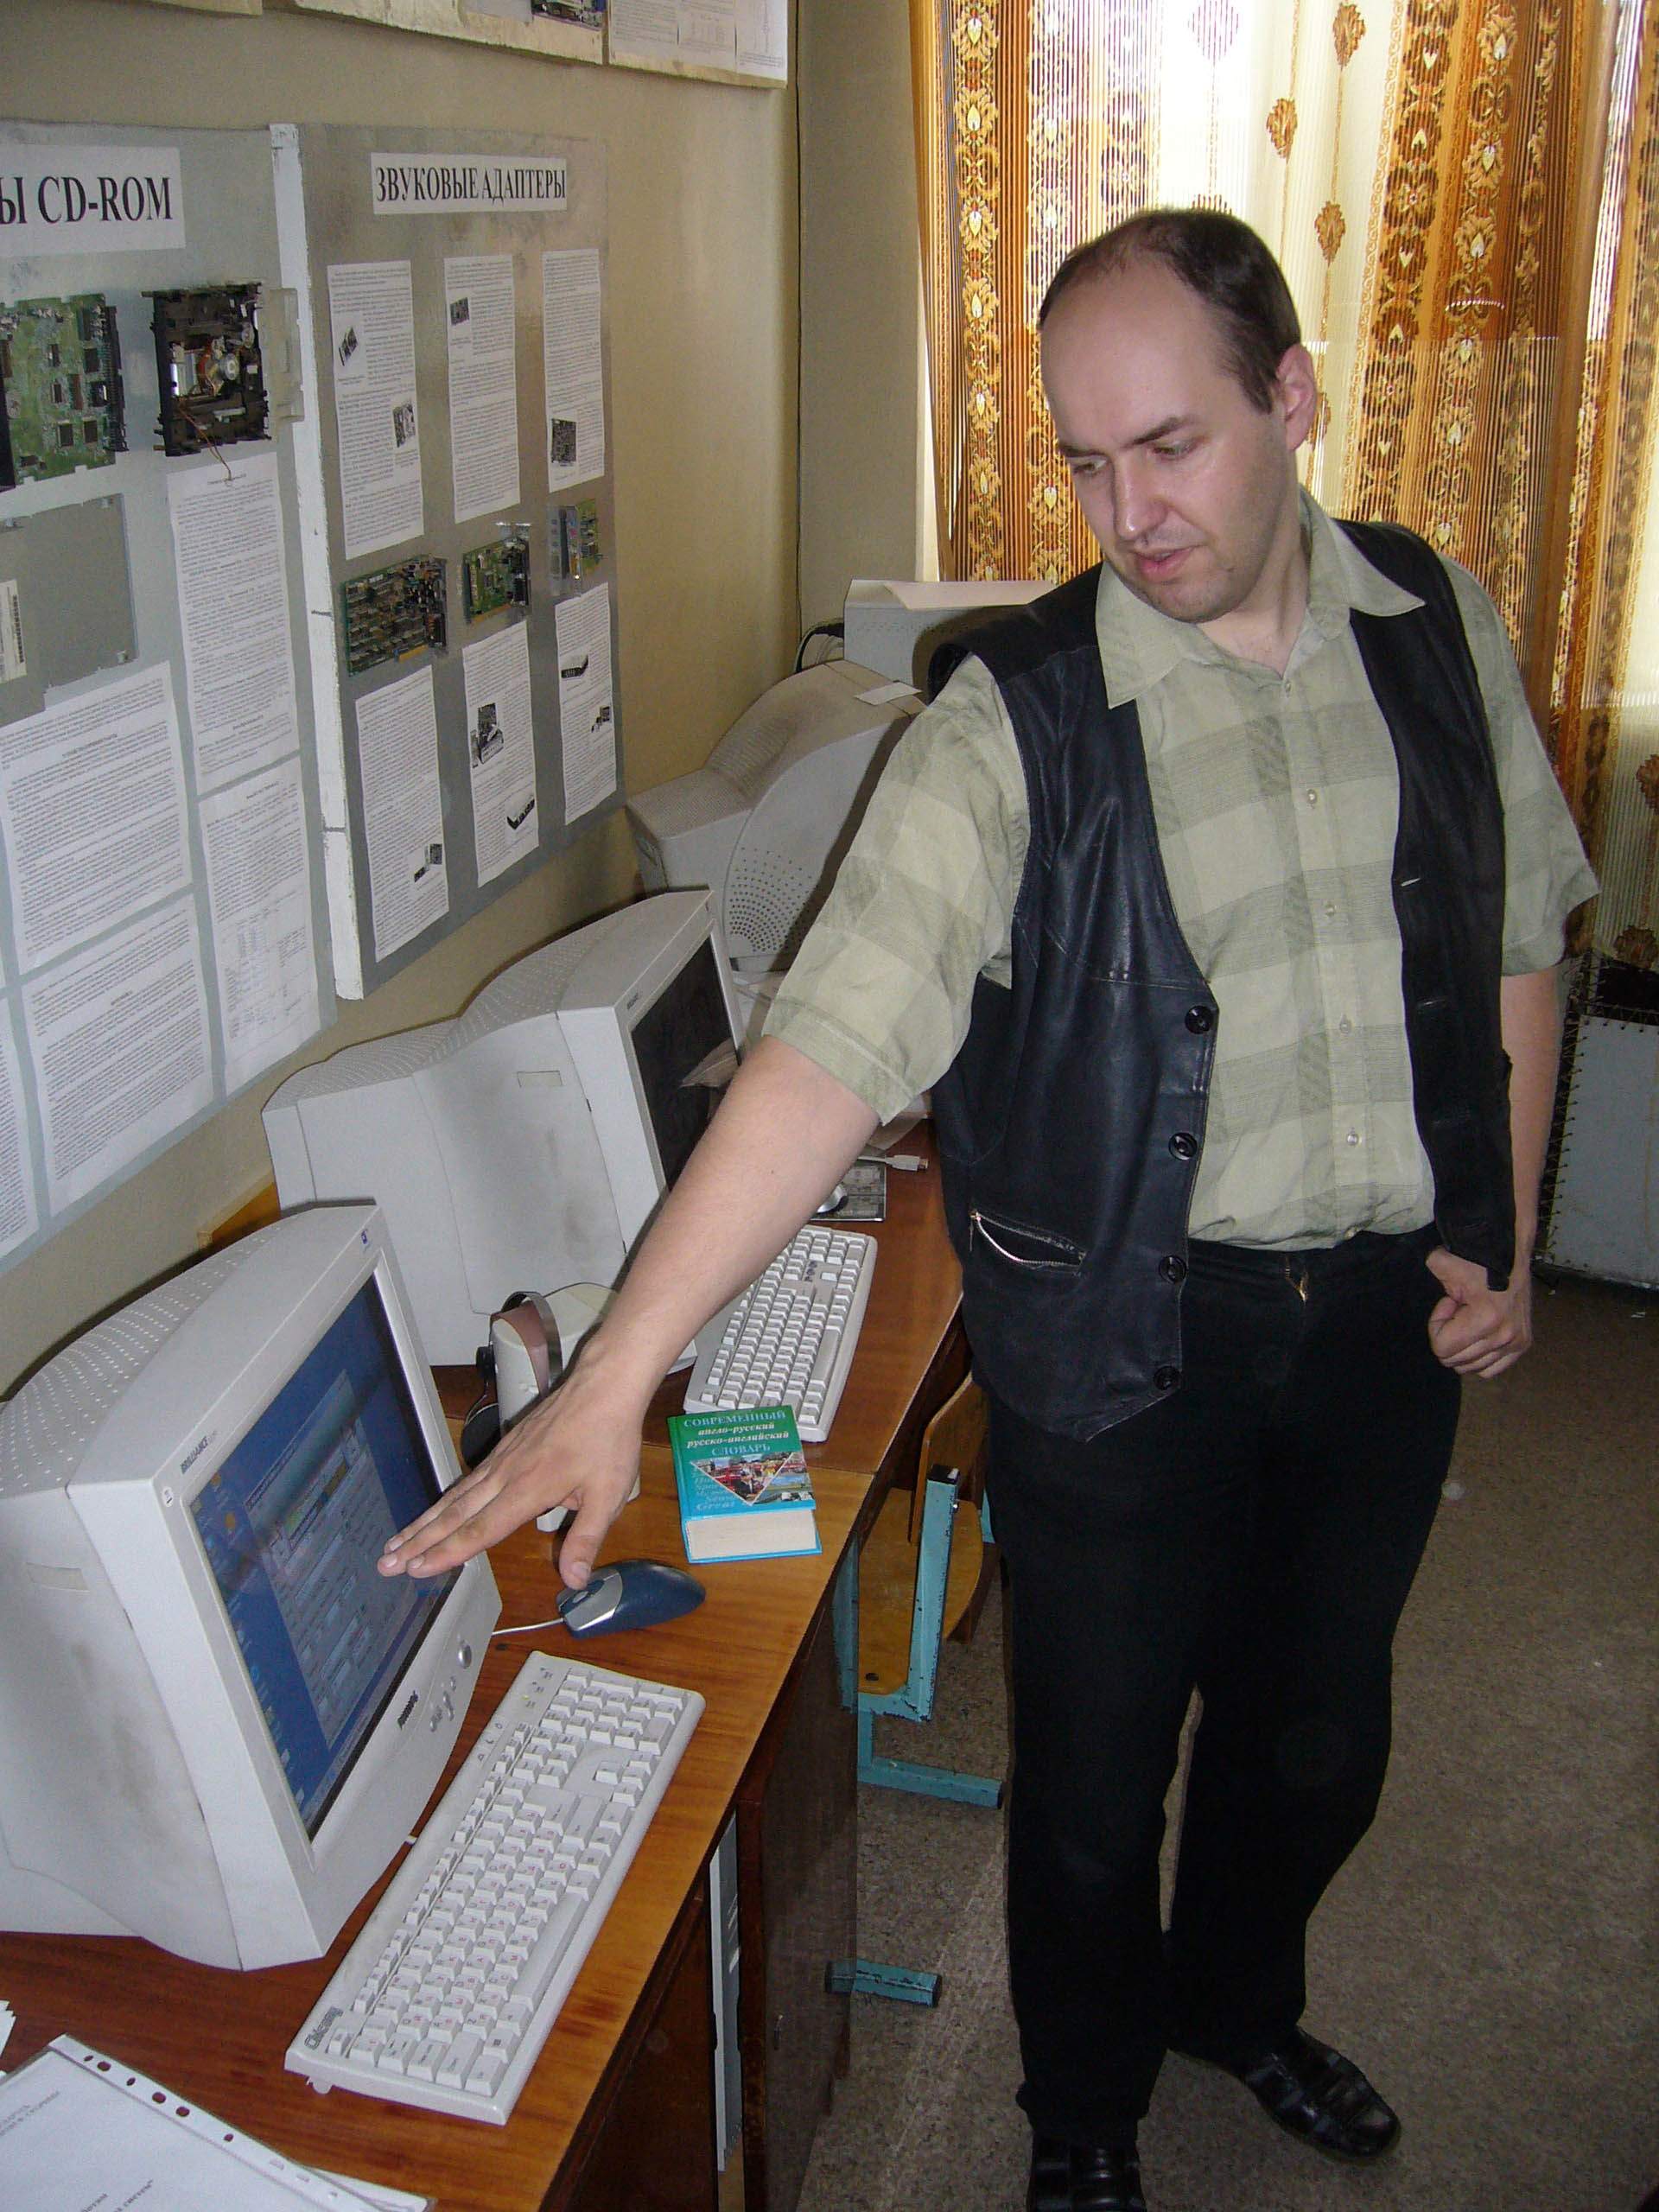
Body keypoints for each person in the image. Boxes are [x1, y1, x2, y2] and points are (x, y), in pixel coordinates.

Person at [378, 209, 1596, 2212]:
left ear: (1292, 399)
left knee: (1317, 1732)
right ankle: (1085, 2112)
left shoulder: (1435, 623)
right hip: (1125, 1334)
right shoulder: (1008, 720)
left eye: (1173, 446)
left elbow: (1519, 927)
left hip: (1385, 1315)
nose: (1131, 513)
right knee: (1097, 1775)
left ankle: (1240, 2003)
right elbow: (832, 1043)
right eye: (1087, 463)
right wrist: (616, 1373)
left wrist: (1508, 1222)